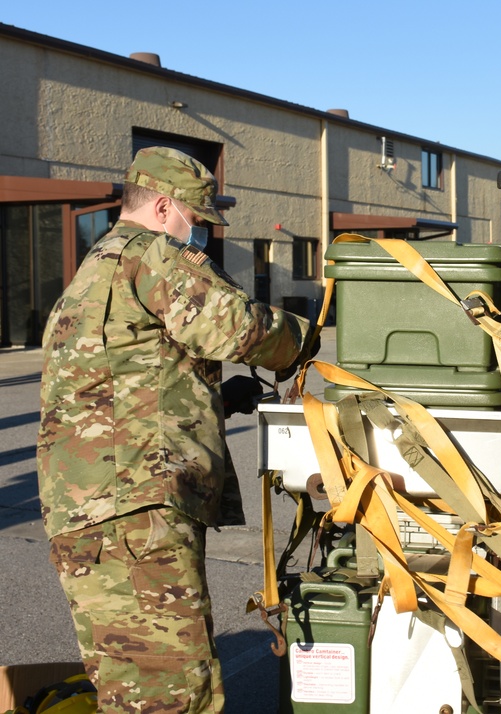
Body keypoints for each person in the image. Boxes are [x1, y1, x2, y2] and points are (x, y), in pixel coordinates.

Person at [36, 146, 317, 713]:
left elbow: (124, 383)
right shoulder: (151, 255)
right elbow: (238, 327)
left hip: (89, 507)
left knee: (128, 682)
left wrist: (214, 398)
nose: (203, 236)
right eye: (199, 220)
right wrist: (307, 338)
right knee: (171, 691)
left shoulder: (96, 269)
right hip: (134, 508)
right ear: (164, 208)